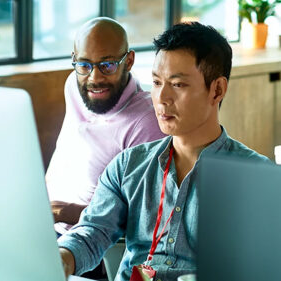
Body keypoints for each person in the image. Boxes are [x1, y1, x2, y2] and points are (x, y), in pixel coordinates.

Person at [58, 22, 270, 281]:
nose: (161, 98)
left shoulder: (256, 177)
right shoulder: (127, 166)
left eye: (178, 85)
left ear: (217, 90)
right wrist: (64, 257)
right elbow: (93, 230)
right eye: (157, 82)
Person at [45, 17, 165, 234]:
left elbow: (143, 217)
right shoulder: (74, 84)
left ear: (128, 61)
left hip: (88, 243)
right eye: (84, 65)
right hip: (43, 224)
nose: (94, 78)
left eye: (107, 65)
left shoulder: (146, 121)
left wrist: (64, 212)